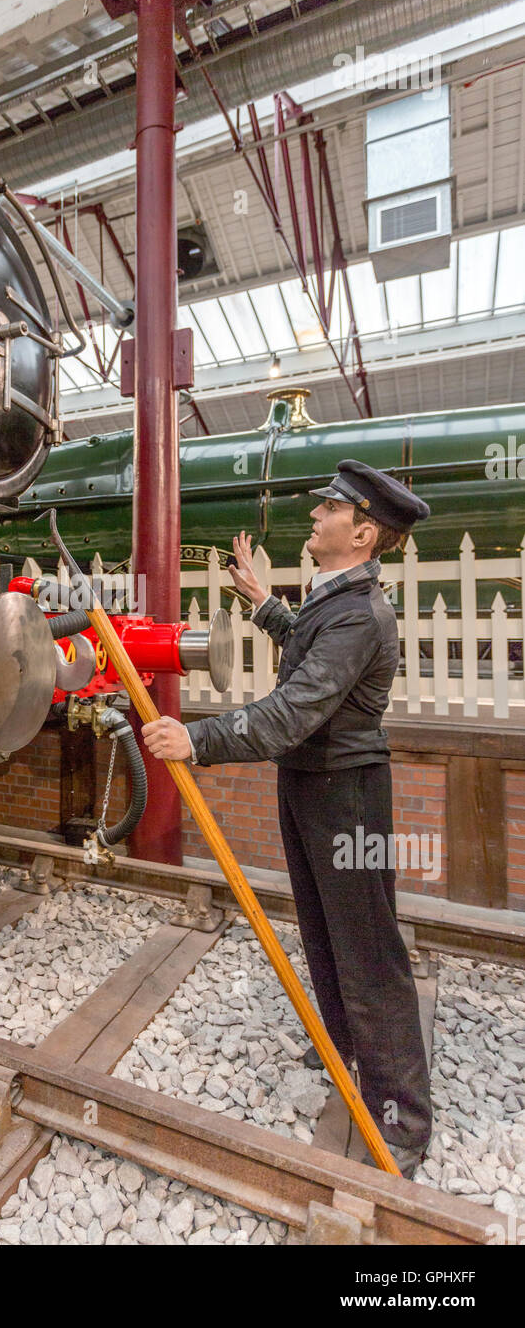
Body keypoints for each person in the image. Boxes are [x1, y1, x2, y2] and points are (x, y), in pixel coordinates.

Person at [141, 460, 433, 1177]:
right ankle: (341, 1044)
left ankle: (400, 1112)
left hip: (346, 795)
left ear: (362, 531)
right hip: (314, 784)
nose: (315, 514)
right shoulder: (340, 602)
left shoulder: (362, 613)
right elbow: (308, 642)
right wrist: (263, 603)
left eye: (329, 507)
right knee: (323, 925)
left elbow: (295, 708)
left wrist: (199, 739)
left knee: (367, 946)